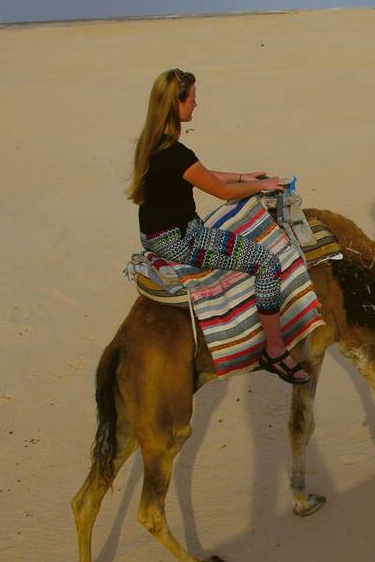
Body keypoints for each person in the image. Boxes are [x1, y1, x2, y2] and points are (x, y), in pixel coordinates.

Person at [128, 69, 309, 384]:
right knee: (267, 262)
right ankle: (275, 349)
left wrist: (245, 178)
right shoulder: (175, 152)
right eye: (192, 100)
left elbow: (203, 175)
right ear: (177, 104)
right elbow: (221, 192)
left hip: (155, 236)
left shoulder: (154, 142)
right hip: (183, 240)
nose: (196, 106)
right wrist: (262, 186)